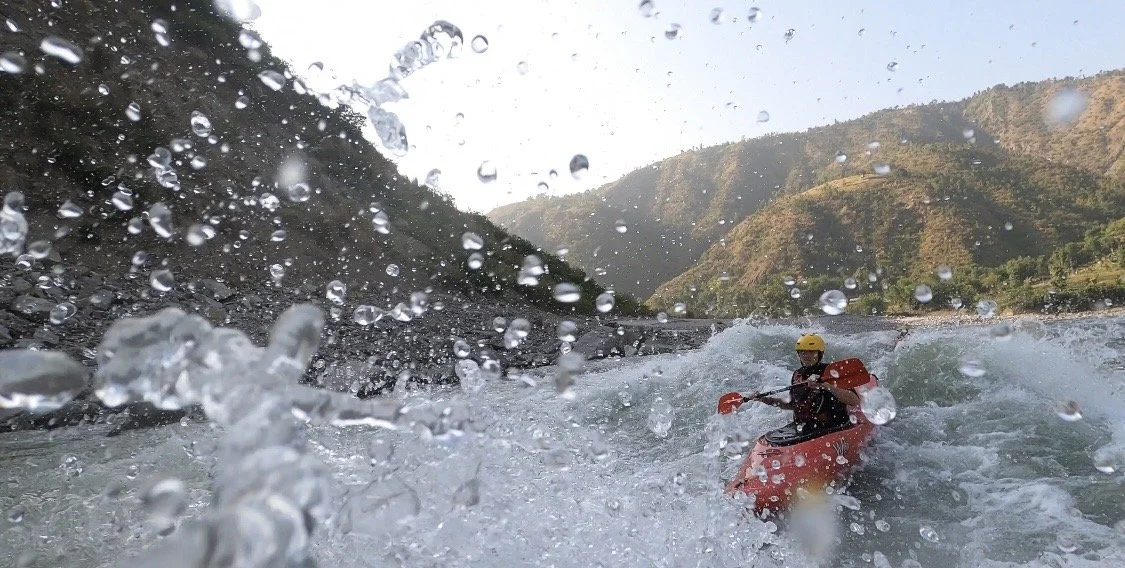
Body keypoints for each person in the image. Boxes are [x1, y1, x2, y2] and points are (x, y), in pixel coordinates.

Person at [748, 333, 861, 432]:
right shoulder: (797, 375)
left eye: (811, 352)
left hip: (832, 426)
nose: (806, 355)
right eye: (802, 352)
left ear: (819, 353)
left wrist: (825, 386)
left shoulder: (831, 372)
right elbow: (792, 404)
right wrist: (766, 400)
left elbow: (854, 400)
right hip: (805, 428)